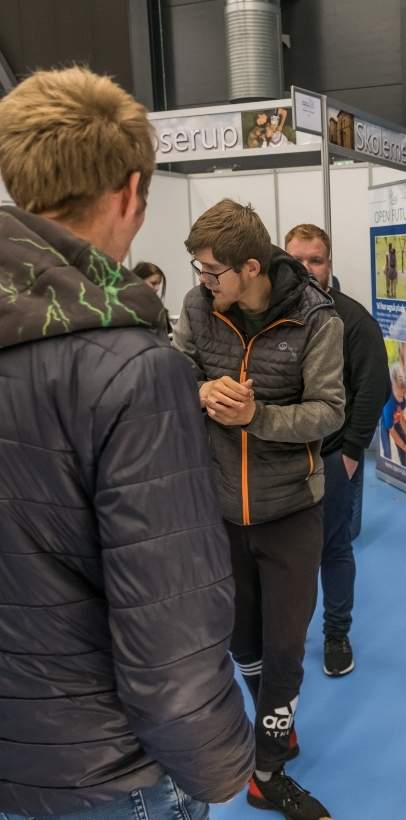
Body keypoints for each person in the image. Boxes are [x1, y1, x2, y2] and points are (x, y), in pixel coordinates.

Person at [0, 67, 254, 819]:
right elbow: (170, 632)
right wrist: (224, 765)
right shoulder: (133, 370)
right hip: (108, 773)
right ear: (132, 191)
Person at [173, 200, 345, 820]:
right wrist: (198, 389)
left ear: (250, 267)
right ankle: (277, 722)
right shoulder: (199, 307)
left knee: (285, 650)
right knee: (241, 639)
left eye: (213, 271)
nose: (202, 281)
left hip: (291, 511)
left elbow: (330, 411)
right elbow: (177, 367)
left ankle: (266, 772)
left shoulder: (316, 319)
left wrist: (257, 417)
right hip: (219, 509)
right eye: (198, 269)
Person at [285, 223, 389, 677]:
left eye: (316, 260)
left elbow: (374, 388)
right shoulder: (271, 317)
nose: (307, 269)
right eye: (298, 260)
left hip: (332, 457)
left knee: (334, 548)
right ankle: (286, 637)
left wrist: (350, 452)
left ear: (330, 264)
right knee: (285, 555)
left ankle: (335, 634)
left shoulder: (353, 319)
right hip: (281, 459)